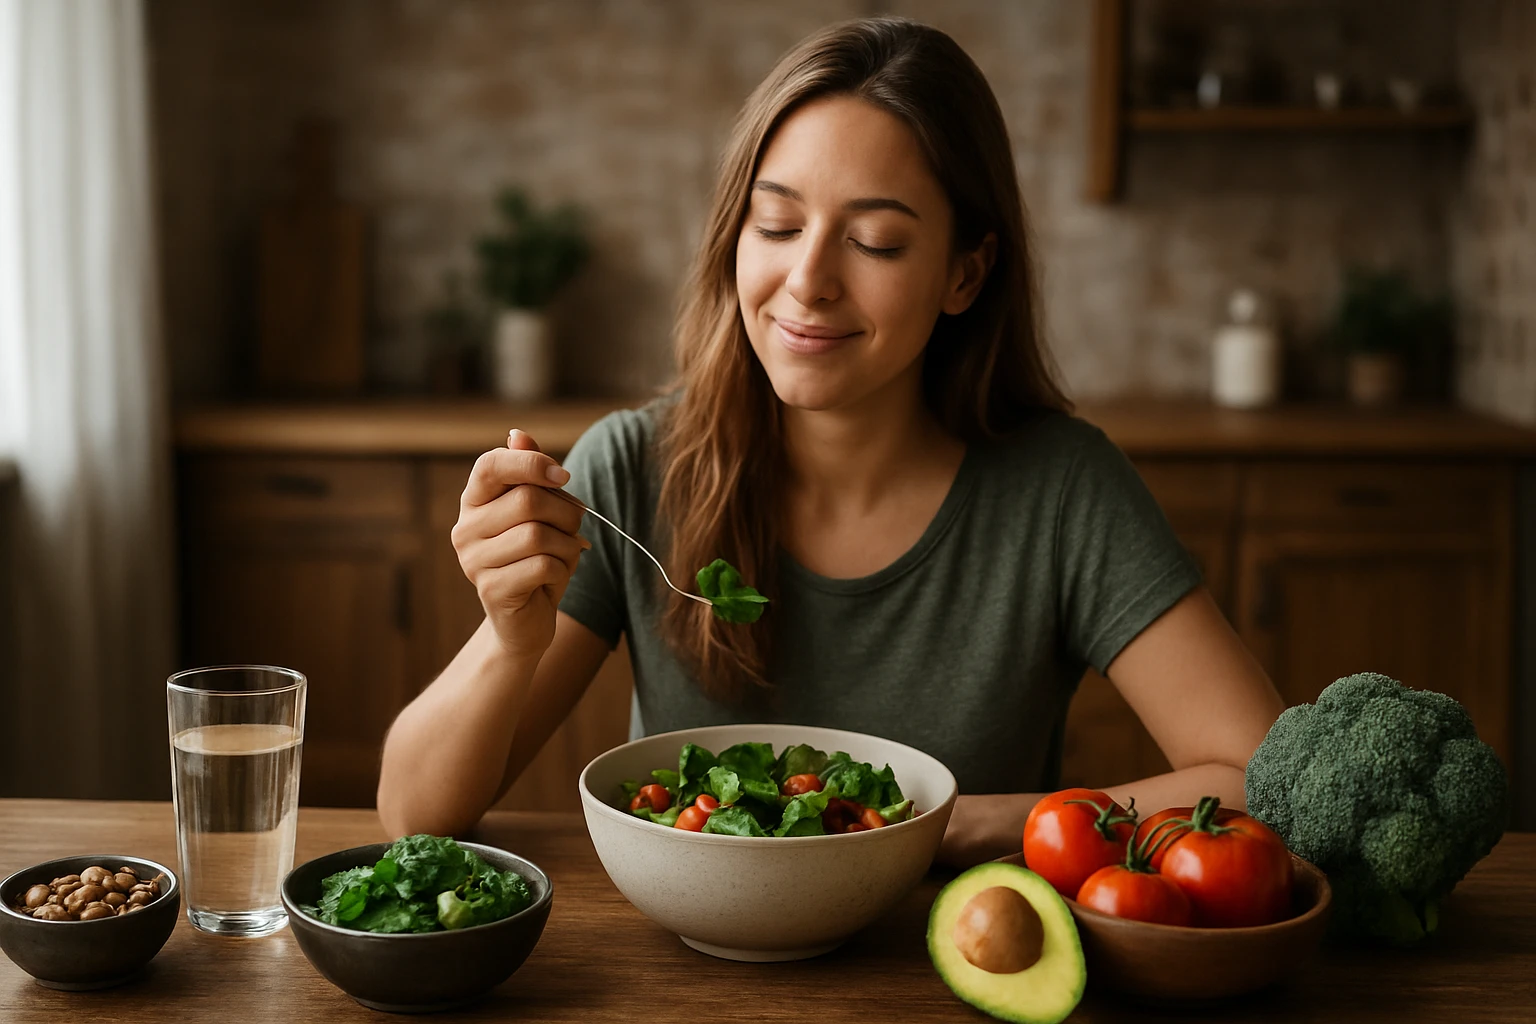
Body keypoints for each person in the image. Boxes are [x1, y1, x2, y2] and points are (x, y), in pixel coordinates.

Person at [377, 17, 1285, 866]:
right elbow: (414, 817)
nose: (806, 280)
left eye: (878, 243)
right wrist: (507, 640)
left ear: (964, 273)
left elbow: (1256, 778)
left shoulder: (1060, 491)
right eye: (776, 225)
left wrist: (978, 819)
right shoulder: (631, 468)